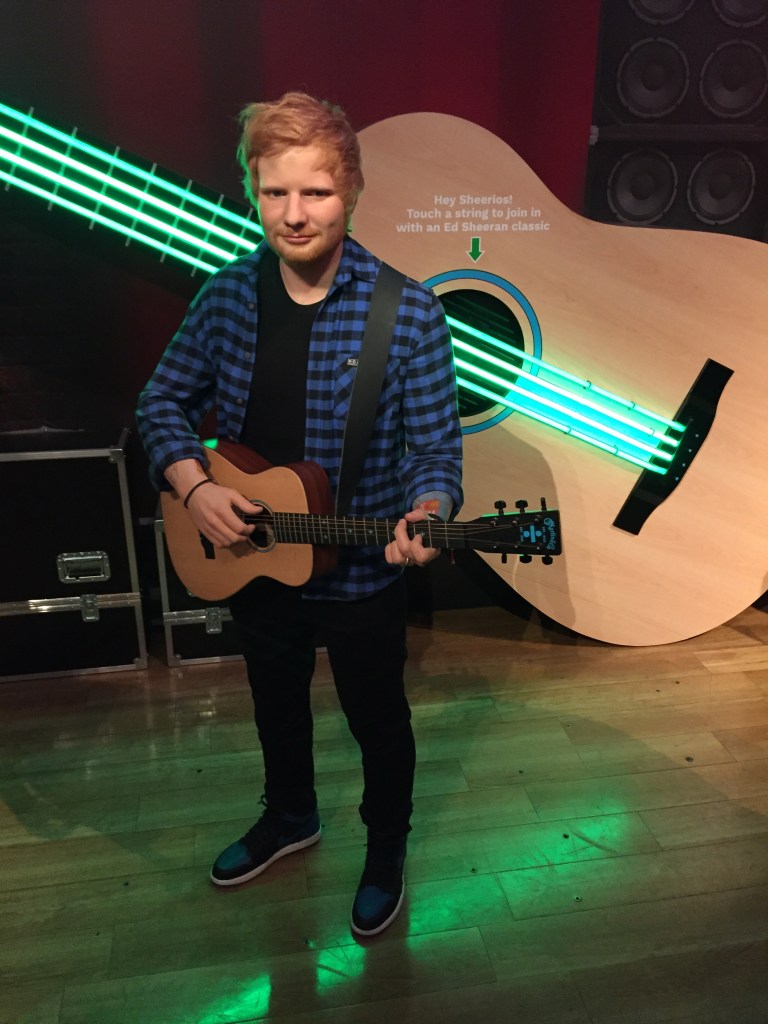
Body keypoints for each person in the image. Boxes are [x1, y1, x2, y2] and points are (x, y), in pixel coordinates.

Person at [136, 91, 463, 937]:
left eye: (314, 192)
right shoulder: (225, 299)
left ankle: (385, 848)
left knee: (377, 718)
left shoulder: (409, 313)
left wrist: (430, 511)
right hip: (255, 556)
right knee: (273, 700)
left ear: (350, 190)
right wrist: (194, 487)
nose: (293, 213)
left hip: (359, 566)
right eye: (274, 192)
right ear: (252, 191)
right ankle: (291, 817)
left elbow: (434, 454)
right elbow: (162, 402)